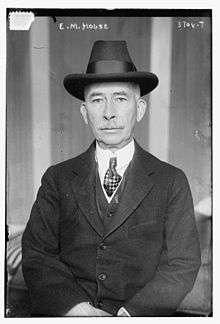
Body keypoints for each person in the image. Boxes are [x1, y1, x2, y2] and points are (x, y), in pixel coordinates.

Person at [22, 40, 201, 317]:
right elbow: (37, 254)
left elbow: (182, 265)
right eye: (97, 100)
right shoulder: (57, 179)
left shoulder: (171, 181)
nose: (109, 113)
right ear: (84, 113)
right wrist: (81, 312)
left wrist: (128, 316)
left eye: (120, 98)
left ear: (139, 109)